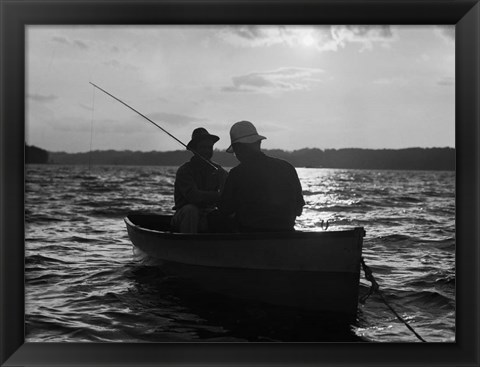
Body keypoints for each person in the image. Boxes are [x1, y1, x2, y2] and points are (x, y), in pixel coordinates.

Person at [219, 121, 305, 232]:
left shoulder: (237, 173)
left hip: (250, 235)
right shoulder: (287, 167)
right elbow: (299, 210)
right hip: (286, 233)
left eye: (235, 151)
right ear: (259, 143)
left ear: (238, 148)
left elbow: (225, 209)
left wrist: (222, 186)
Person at [171, 127, 228, 233]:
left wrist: (224, 179)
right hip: (184, 217)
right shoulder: (184, 170)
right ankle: (188, 245)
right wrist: (218, 195)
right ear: (194, 150)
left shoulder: (219, 171)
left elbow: (228, 197)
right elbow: (194, 196)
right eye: (203, 147)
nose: (207, 151)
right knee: (191, 210)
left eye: (209, 148)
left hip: (207, 215)